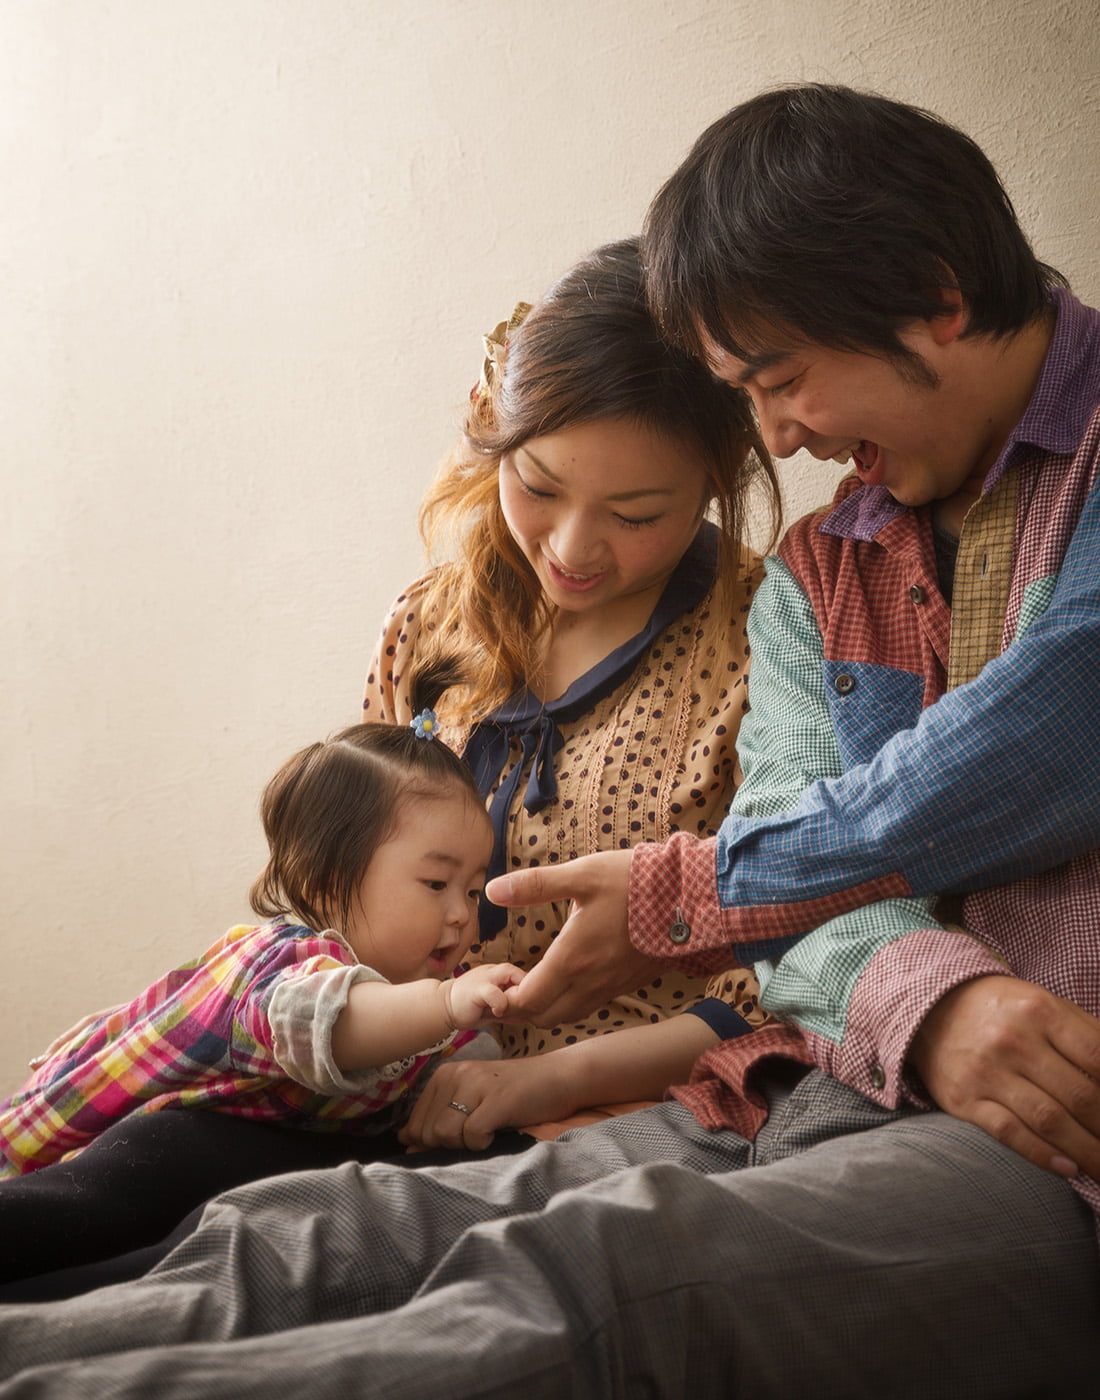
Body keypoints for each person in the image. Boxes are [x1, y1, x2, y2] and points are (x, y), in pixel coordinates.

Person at [6, 84, 1097, 1395]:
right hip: (780, 1077)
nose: (785, 436)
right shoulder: (830, 561)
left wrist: (686, 913)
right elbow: (803, 890)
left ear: (933, 295)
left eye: (783, 380)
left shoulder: (761, 610)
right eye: (754, 393)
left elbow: (1034, 743)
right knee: (298, 1231)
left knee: (571, 1280)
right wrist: (915, 997)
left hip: (939, 1121)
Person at [0, 237, 777, 1288]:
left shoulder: (760, 647)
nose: (572, 546)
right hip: (372, 1068)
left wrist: (533, 1078)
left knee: (237, 1259)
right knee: (146, 1154)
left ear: (717, 480)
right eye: (538, 486)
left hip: (585, 1110)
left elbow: (770, 982)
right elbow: (345, 869)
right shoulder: (431, 621)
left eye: (636, 514)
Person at [0, 667, 524, 1183]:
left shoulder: (417, 1004)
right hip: (57, 1151)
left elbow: (445, 1068)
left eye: (474, 890)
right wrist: (447, 1006)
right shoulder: (287, 968)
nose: (461, 912)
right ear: (326, 883)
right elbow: (332, 1022)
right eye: (436, 884)